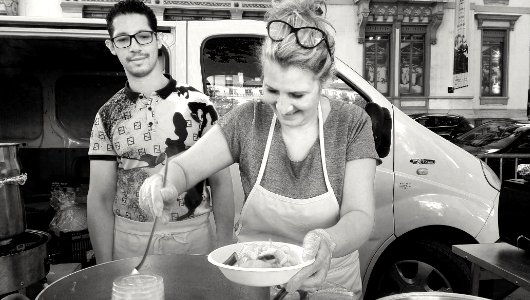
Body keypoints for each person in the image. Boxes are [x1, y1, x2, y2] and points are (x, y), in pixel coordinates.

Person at [139, 0, 380, 297]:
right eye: (271, 90)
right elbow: (184, 167)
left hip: (329, 280)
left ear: (324, 81)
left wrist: (327, 241)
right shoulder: (248, 119)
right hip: (254, 281)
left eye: (298, 94)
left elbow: (359, 214)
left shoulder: (352, 123)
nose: (282, 107)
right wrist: (162, 185)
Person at [87, 0, 235, 264]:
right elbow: (99, 197)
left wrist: (225, 250)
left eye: (143, 36)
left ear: (158, 40)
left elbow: (221, 184)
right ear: (112, 46)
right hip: (130, 243)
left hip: (195, 237)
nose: (134, 46)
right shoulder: (106, 115)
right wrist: (103, 266)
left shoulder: (200, 106)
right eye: (123, 39)